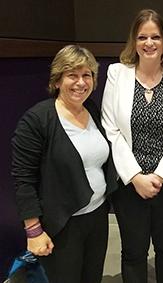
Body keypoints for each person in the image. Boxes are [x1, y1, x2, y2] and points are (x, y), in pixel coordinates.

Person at [11, 45, 118, 283]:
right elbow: (23, 180)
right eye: (72, 75)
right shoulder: (37, 120)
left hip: (97, 217)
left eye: (87, 75)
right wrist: (33, 231)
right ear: (57, 80)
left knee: (92, 277)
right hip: (62, 224)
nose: (81, 82)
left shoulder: (90, 109)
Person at [101, 9, 163, 283]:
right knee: (133, 252)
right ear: (134, 41)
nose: (149, 43)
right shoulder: (117, 74)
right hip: (129, 185)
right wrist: (135, 177)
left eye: (155, 36)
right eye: (142, 37)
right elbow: (111, 129)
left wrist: (160, 176)